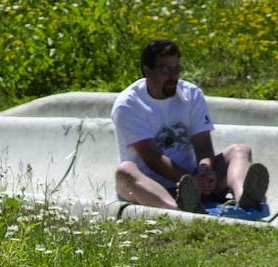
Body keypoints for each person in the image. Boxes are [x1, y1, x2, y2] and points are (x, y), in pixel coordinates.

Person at [111, 39, 269, 213]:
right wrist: (190, 179)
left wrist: (205, 169)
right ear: (147, 71)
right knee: (125, 171)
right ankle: (180, 208)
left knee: (240, 150)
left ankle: (245, 201)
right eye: (165, 70)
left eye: (176, 69)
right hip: (151, 184)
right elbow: (152, 158)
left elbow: (202, 145)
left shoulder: (191, 93)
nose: (173, 76)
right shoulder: (128, 104)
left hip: (193, 182)